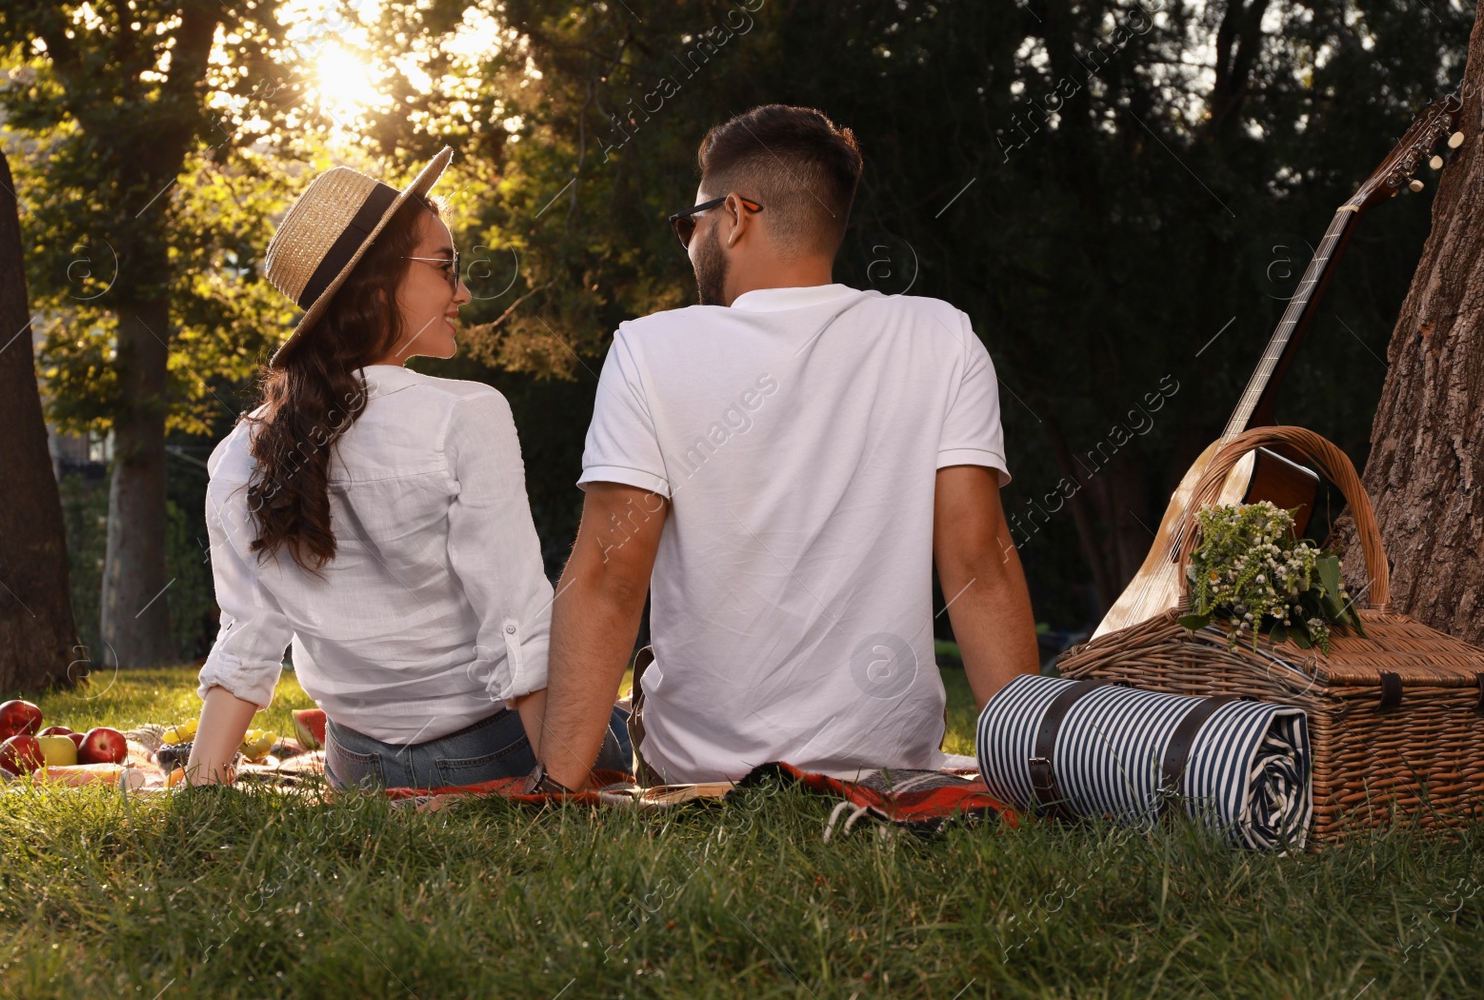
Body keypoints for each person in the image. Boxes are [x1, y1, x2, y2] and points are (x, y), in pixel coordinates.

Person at [518, 105, 1041, 793]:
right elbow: (980, 563)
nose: (689, 242)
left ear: (735, 215)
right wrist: (1034, 775)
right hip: (893, 770)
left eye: (690, 223)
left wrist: (556, 786)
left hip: (702, 776)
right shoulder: (942, 337)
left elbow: (610, 577)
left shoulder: (649, 347)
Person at [184, 148, 629, 789]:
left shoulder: (237, 455)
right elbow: (516, 623)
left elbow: (248, 637)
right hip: (496, 749)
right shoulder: (466, 414)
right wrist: (561, 790)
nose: (463, 291)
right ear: (379, 281)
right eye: (446, 267)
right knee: (614, 723)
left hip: (358, 766)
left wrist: (203, 787)